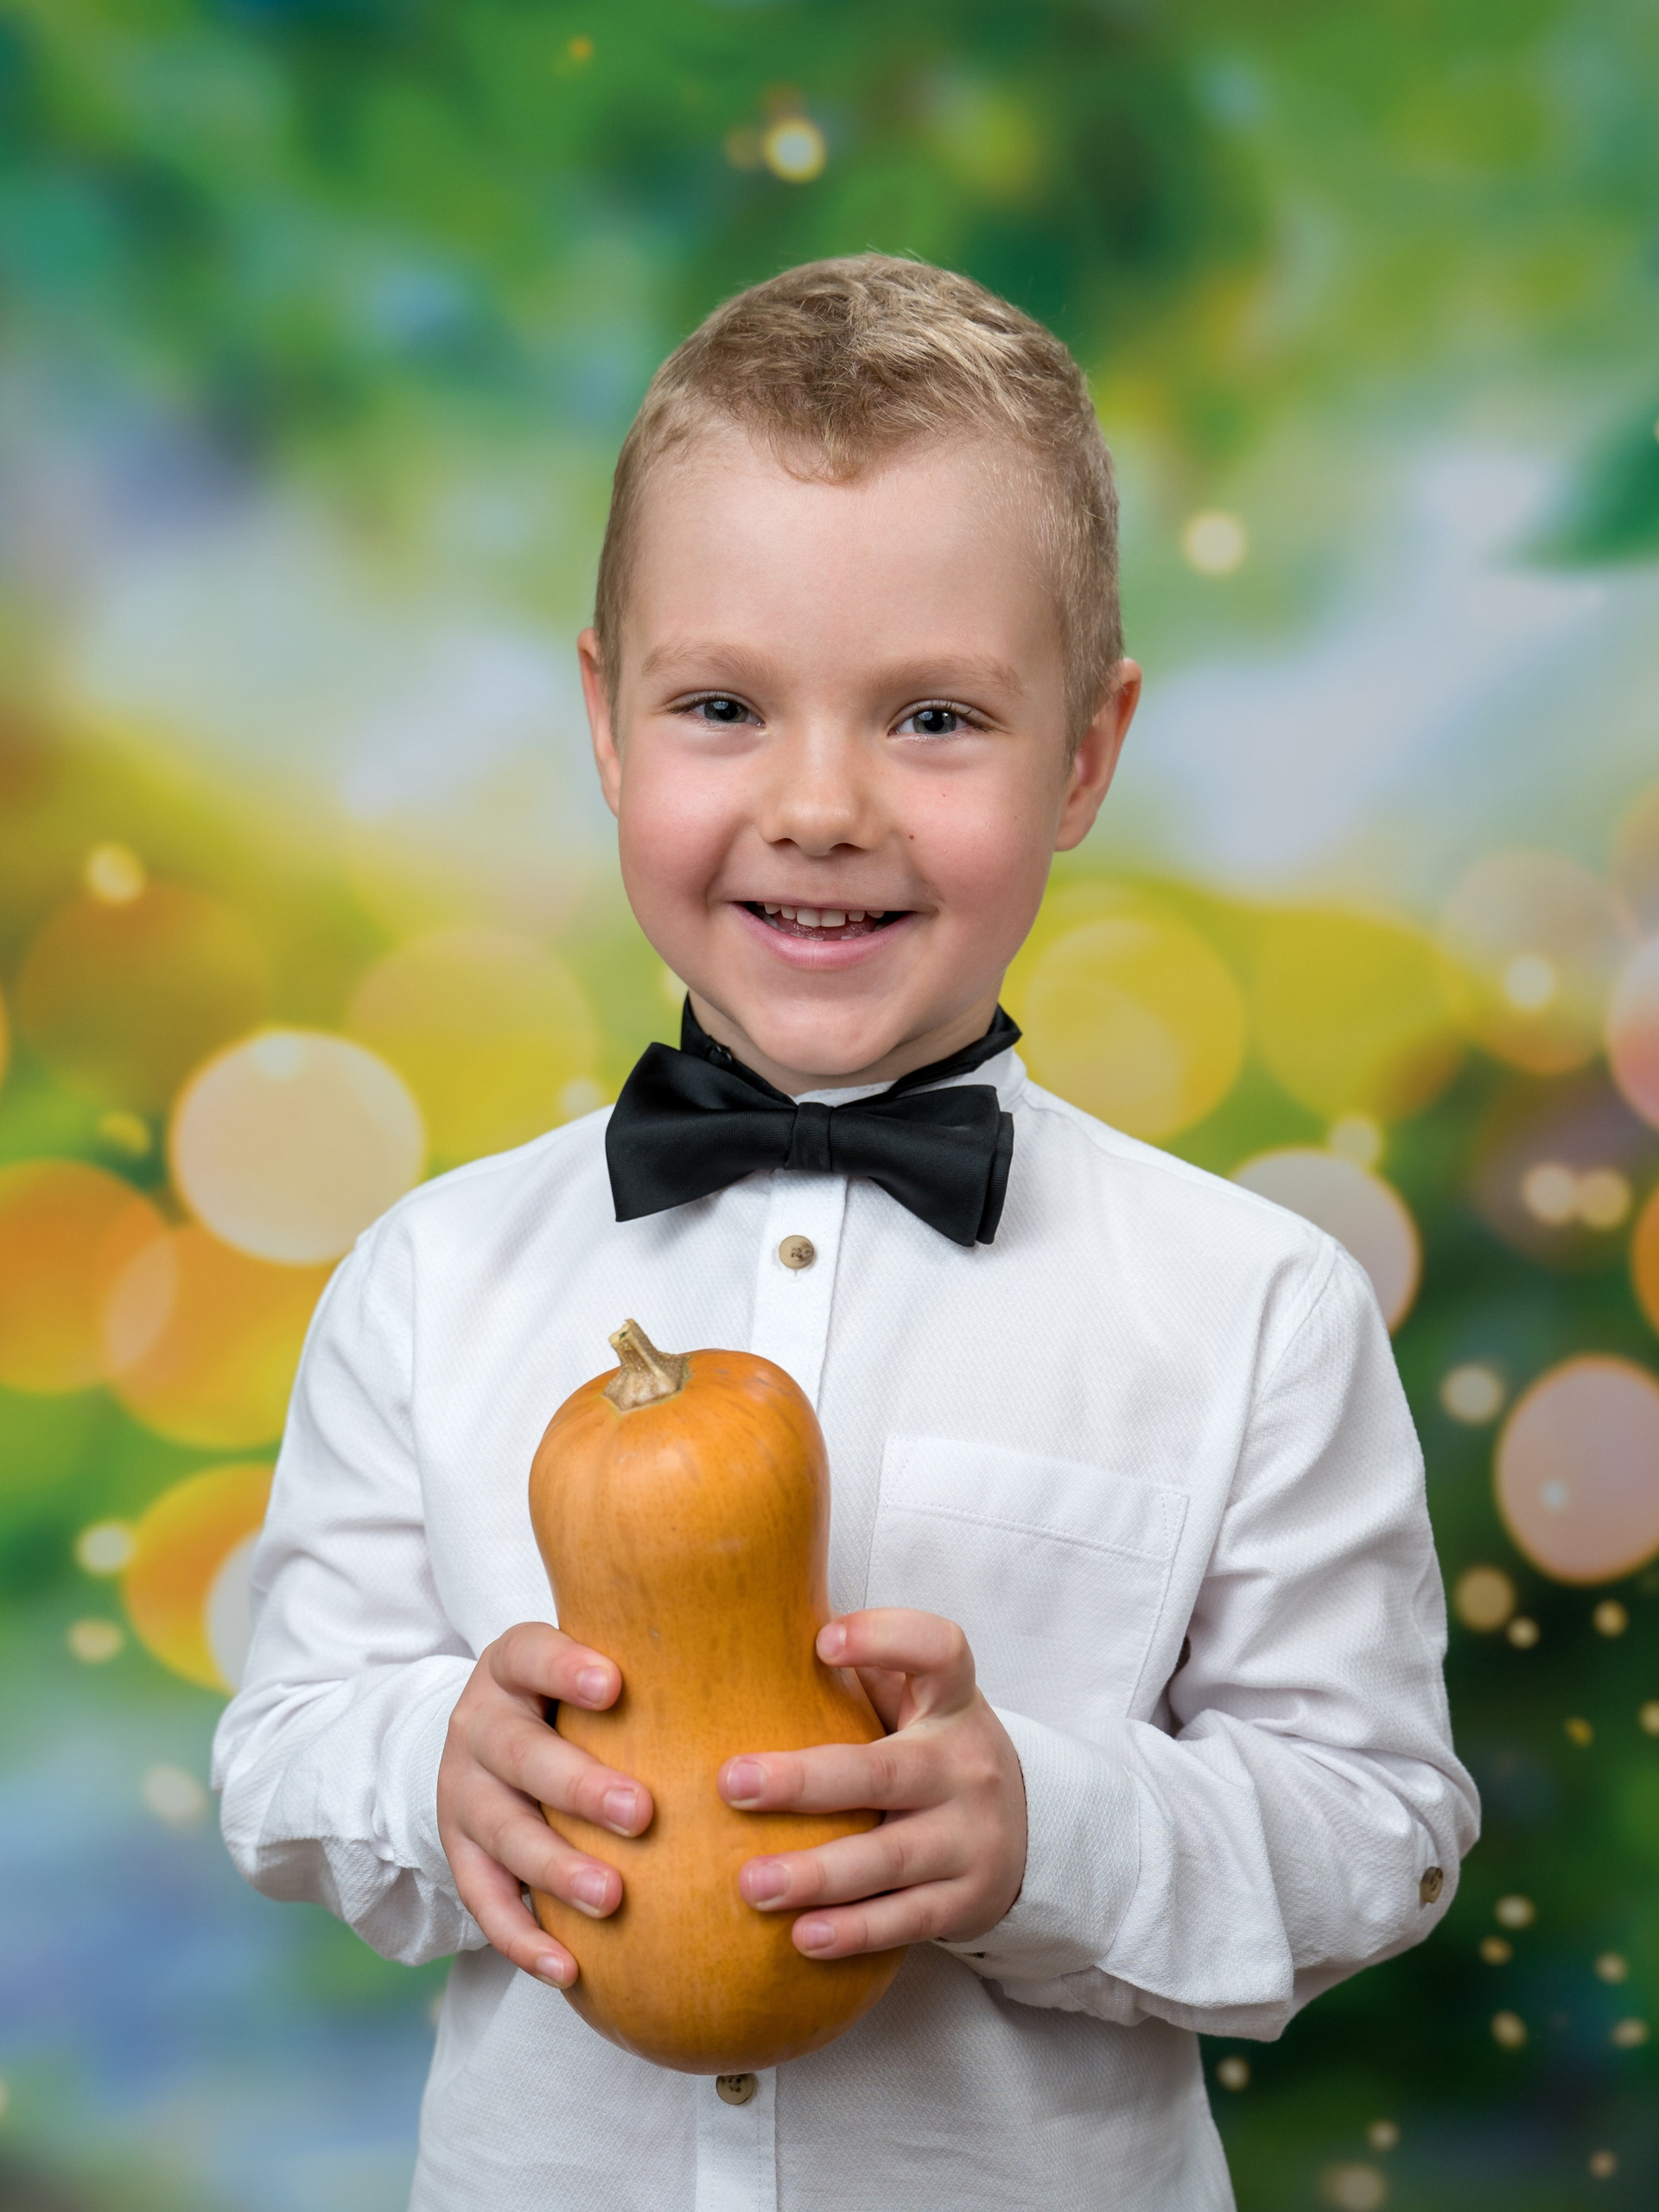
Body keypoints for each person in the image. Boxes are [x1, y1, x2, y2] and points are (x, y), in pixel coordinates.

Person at [213, 255, 1478, 2212]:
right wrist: (426, 1763)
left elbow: (1379, 1828)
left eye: (935, 716)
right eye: (723, 704)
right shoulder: (428, 1280)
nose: (820, 806)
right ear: (607, 722)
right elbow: (282, 1751)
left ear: (1085, 755)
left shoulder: (1255, 1311)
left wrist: (1045, 1828)